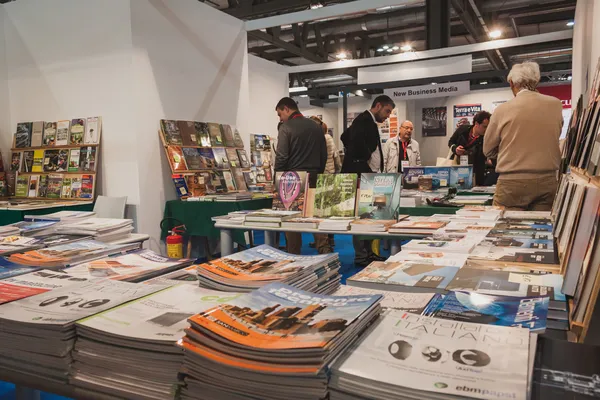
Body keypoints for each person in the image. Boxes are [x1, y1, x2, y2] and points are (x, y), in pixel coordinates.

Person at [483, 61, 563, 211]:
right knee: (542, 230)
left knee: (504, 229)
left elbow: (488, 150)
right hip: (548, 180)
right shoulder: (556, 105)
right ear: (536, 80)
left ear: (512, 83)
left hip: (512, 182)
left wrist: (509, 153)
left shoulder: (502, 110)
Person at [341, 95, 395, 267]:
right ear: (378, 106)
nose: (387, 116)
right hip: (362, 176)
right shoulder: (364, 119)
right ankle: (362, 255)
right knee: (362, 216)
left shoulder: (367, 121)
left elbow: (344, 136)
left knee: (371, 215)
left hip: (369, 176)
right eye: (387, 111)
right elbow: (349, 139)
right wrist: (364, 159)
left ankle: (368, 253)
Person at [274, 97, 331, 254]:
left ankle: (293, 258)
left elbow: (282, 157)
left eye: (280, 114)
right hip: (314, 178)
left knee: (291, 224)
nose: (280, 118)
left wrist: (277, 180)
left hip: (292, 180)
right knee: (317, 221)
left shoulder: (286, 127)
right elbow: (323, 155)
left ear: (286, 109)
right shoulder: (316, 127)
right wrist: (318, 173)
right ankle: (325, 254)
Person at [448, 111, 492, 186]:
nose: (486, 129)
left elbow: (486, 156)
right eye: (484, 126)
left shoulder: (487, 138)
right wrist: (456, 149)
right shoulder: (462, 130)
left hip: (477, 172)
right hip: (458, 169)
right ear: (476, 124)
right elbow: (451, 142)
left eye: (488, 127)